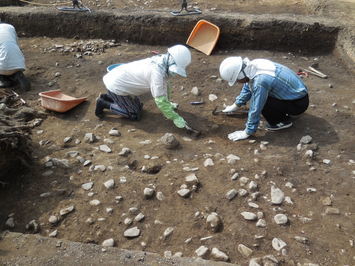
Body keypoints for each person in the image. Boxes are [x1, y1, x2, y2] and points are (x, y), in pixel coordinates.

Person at [95, 44, 198, 133]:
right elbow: (160, 100)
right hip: (116, 86)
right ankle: (103, 103)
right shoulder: (156, 73)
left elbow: (165, 86)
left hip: (121, 80)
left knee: (139, 106)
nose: (174, 73)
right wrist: (174, 117)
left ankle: (108, 97)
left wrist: (169, 104)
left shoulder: (161, 61)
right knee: (135, 114)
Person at [219, 56, 309, 141]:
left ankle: (280, 122)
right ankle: (282, 112)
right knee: (259, 93)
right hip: (298, 96)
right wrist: (236, 105)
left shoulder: (260, 81)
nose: (237, 82)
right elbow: (248, 85)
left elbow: (256, 107)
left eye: (236, 80)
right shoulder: (253, 65)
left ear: (240, 75)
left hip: (298, 105)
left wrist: (247, 132)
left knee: (263, 101)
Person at [0, 23, 30, 91]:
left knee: (4, 60)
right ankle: (17, 74)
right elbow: (17, 45)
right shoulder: (10, 27)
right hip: (19, 64)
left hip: (3, 67)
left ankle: (3, 80)